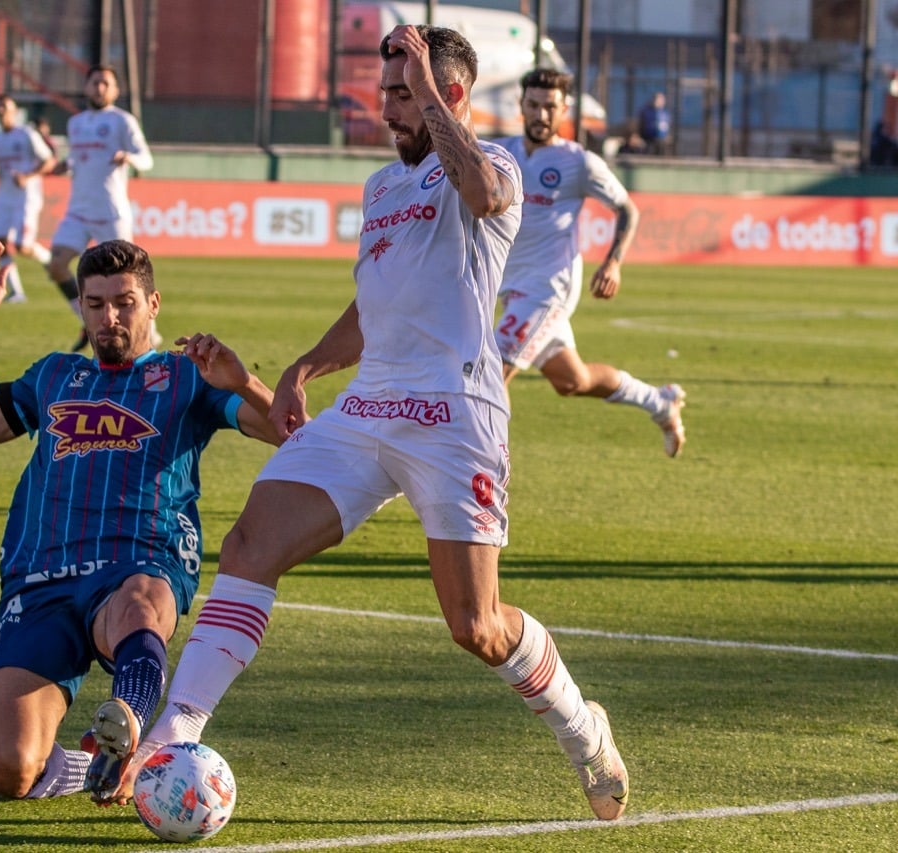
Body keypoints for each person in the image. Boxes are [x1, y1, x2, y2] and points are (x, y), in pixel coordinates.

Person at [119, 25, 630, 822]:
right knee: (251, 542)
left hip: (455, 413)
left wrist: (429, 90)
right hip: (368, 407)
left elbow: (487, 198)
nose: (386, 108)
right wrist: (302, 368)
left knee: (478, 626)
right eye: (387, 92)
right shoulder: (380, 188)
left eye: (404, 94)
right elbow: (374, 304)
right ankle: (172, 733)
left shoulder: (494, 166)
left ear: (447, 94)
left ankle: (581, 727)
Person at [0, 238, 280, 805]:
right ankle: (98, 761)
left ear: (153, 303)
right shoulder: (52, 377)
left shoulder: (187, 377)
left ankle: (131, 730)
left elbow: (294, 433)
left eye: (124, 302)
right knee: (11, 770)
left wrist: (242, 382)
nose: (109, 317)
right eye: (95, 304)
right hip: (41, 580)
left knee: (139, 606)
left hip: (140, 561)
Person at [496, 69, 686, 457]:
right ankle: (660, 402)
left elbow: (627, 210)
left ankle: (484, 487)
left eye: (550, 107)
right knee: (572, 381)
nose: (541, 115)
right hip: (510, 288)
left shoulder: (578, 162)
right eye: (534, 105)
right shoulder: (502, 153)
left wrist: (613, 262)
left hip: (547, 290)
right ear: (522, 106)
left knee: (490, 377)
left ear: (564, 109)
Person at [48, 64, 159, 352]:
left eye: (105, 84)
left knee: (129, 276)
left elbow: (146, 158)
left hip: (110, 211)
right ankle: (86, 319)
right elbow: (79, 158)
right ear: (86, 87)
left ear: (115, 91)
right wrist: (66, 164)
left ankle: (151, 331)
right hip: (78, 210)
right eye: (95, 83)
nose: (99, 88)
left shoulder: (123, 121)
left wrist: (129, 158)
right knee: (56, 265)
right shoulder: (76, 123)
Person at [0, 93, 58, 304]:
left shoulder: (26, 134)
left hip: (27, 196)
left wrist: (27, 176)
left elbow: (49, 161)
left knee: (23, 246)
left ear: (14, 111)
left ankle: (52, 261)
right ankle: (16, 291)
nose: (1, 111)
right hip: (4, 196)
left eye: (5, 107)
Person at [637, 91, 670, 155]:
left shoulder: (665, 113)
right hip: (648, 137)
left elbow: (667, 126)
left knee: (662, 147)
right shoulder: (646, 111)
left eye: (662, 100)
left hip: (661, 139)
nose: (660, 102)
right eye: (658, 100)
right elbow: (640, 125)